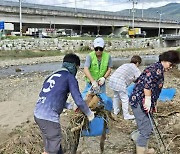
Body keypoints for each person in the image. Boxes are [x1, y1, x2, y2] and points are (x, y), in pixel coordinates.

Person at [34, 53, 95, 154]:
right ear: (74, 66)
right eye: (77, 68)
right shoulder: (70, 77)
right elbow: (79, 100)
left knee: (50, 145)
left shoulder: (51, 76)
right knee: (52, 149)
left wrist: (69, 106)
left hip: (38, 114)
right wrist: (89, 114)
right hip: (49, 118)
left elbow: (52, 96)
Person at [129, 50, 180, 154]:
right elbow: (147, 86)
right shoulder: (155, 69)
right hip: (139, 101)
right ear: (165, 60)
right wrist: (148, 100)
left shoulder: (159, 69)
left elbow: (155, 88)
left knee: (147, 126)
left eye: (173, 66)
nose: (171, 68)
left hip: (145, 101)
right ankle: (141, 151)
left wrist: (153, 103)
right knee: (145, 129)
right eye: (170, 65)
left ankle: (144, 148)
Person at [108, 55, 142, 120]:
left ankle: (116, 112)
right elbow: (140, 77)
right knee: (125, 99)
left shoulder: (126, 65)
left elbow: (129, 76)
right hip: (119, 82)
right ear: (137, 63)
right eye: (139, 64)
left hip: (112, 80)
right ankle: (126, 115)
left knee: (116, 96)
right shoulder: (134, 67)